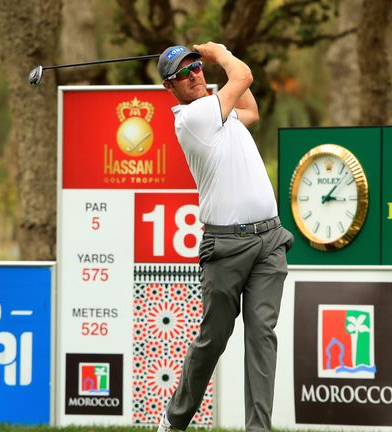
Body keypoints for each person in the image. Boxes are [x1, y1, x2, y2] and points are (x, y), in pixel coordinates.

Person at [156, 42, 294, 432]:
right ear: (171, 88)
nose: (194, 74)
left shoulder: (218, 108)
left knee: (262, 335)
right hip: (227, 246)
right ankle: (176, 419)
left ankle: (258, 429)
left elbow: (250, 109)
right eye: (183, 73)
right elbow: (244, 76)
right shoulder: (193, 117)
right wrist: (220, 52)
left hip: (269, 239)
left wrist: (219, 69)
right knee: (213, 339)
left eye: (196, 66)